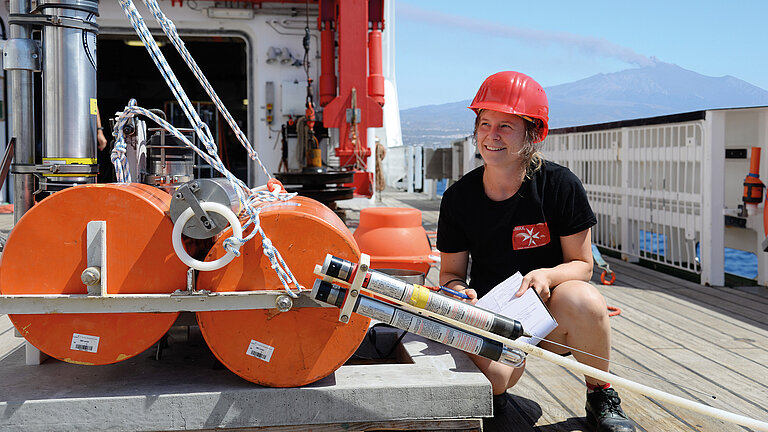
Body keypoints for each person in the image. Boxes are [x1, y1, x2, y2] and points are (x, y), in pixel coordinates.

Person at [436, 71, 636, 432]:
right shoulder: (458, 198)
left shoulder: (560, 185)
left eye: (506, 126)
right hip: (492, 319)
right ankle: (493, 394)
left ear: (534, 134)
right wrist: (458, 292)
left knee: (585, 299)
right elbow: (450, 274)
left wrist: (546, 275)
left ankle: (600, 394)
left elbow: (582, 265)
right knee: (497, 380)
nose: (492, 135)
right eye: (485, 124)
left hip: (550, 315)